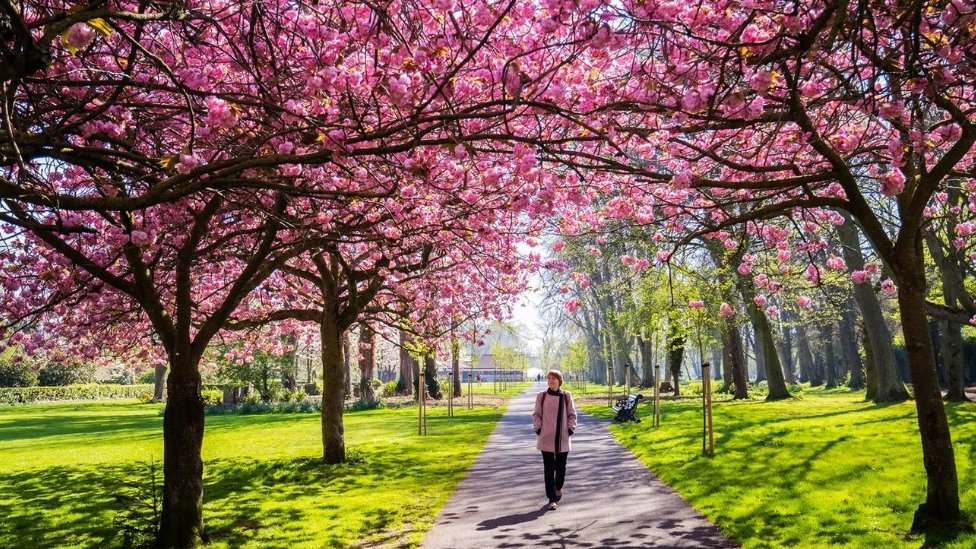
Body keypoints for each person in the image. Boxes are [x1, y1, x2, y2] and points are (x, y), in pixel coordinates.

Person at [531, 369, 577, 510]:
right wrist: (539, 429)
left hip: (562, 438)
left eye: (554, 378)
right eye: (549, 378)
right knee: (549, 469)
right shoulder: (542, 396)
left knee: (561, 469)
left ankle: (558, 488)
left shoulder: (566, 396)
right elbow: (536, 415)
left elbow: (572, 414)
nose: (551, 380)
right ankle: (552, 498)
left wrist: (570, 429)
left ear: (559, 381)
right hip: (546, 438)